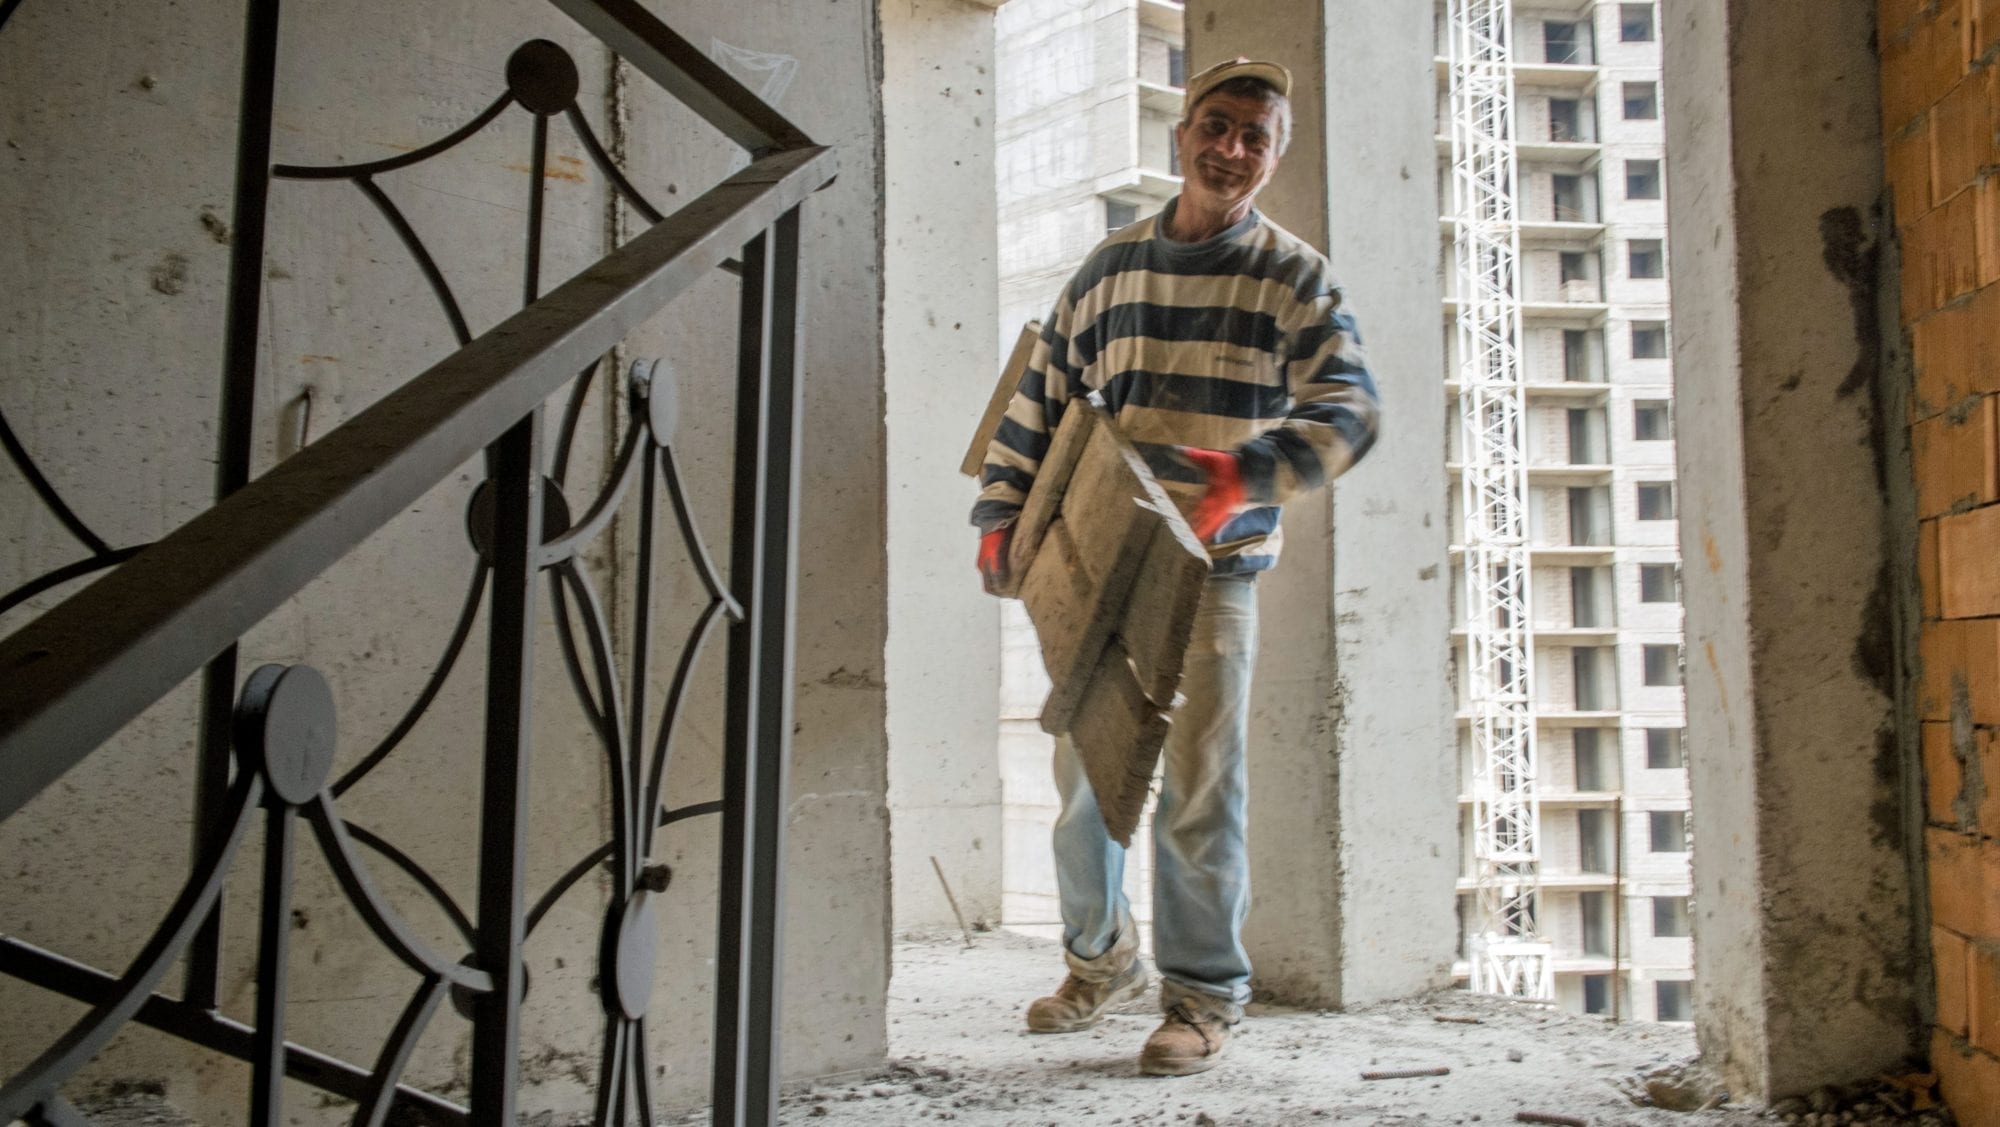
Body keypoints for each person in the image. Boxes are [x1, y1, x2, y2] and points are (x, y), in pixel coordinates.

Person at [969, 57, 1382, 1076]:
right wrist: (998, 516)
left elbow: (1350, 411)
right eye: (1216, 124)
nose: (1230, 147)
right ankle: (1095, 957)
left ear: (1273, 157)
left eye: (1254, 135)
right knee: (1080, 771)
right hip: (1091, 560)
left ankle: (1201, 996)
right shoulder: (1107, 268)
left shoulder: (1293, 276)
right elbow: (1041, 396)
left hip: (1212, 571)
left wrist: (1244, 474)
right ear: (1180, 135)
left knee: (1200, 783)